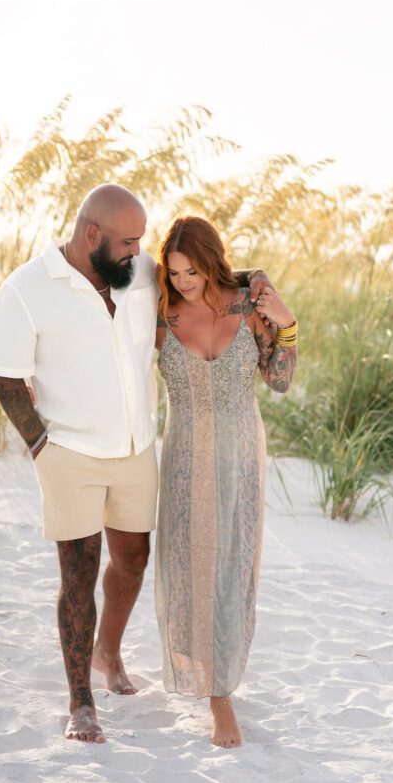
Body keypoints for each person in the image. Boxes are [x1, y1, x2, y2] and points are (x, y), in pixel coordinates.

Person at [0, 185, 271, 744]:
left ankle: (107, 651)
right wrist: (38, 443)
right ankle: (81, 704)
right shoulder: (25, 290)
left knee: (133, 560)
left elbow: (211, 279)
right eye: (129, 241)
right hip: (69, 454)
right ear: (92, 235)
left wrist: (258, 280)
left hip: (137, 449)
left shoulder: (139, 276)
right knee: (79, 573)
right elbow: (4, 374)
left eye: (142, 241)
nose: (139, 251)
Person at [154, 215, 297, 748]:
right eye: (174, 272)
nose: (184, 282)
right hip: (186, 456)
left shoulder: (248, 304)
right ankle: (214, 690)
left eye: (191, 271)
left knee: (232, 569)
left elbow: (279, 381)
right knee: (192, 567)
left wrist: (287, 322)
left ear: (213, 262)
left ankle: (221, 693)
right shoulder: (160, 313)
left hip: (240, 455)